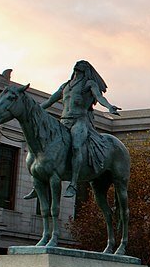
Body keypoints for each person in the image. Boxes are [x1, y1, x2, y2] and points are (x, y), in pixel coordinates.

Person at [27, 60, 120, 199]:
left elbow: (100, 97)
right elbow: (50, 101)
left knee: (76, 146)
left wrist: (109, 107)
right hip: (64, 121)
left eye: (81, 67)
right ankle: (39, 182)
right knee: (45, 145)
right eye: (77, 66)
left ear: (86, 70)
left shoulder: (89, 84)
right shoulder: (66, 86)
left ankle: (73, 184)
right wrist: (34, 110)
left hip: (80, 121)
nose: (78, 67)